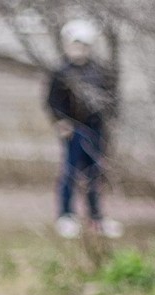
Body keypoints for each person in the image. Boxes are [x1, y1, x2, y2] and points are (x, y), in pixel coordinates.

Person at [46, 19, 122, 239]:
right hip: (73, 130)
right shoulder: (61, 73)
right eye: (74, 45)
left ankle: (96, 217)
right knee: (70, 171)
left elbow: (109, 102)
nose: (78, 50)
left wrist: (107, 123)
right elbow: (52, 101)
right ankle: (66, 215)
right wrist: (61, 121)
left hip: (95, 130)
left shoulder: (99, 72)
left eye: (83, 46)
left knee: (94, 174)